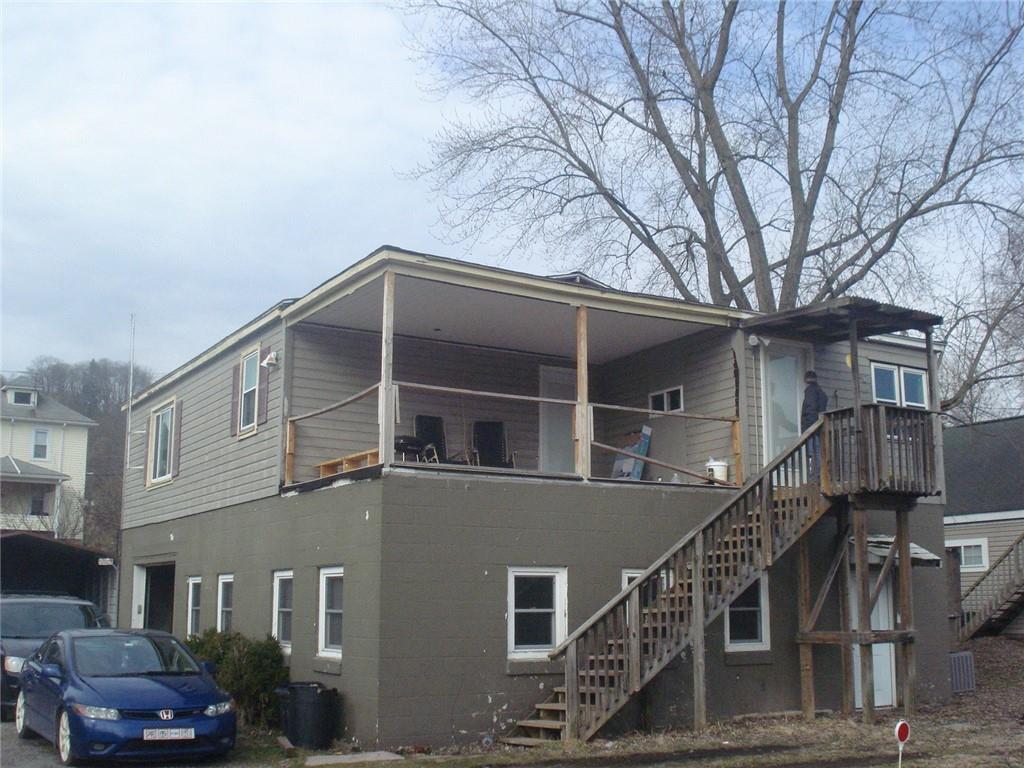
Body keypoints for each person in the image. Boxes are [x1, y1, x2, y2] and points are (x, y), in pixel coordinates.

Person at [801, 370, 828, 482]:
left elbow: (810, 409)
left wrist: (807, 428)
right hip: (818, 427)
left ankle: (813, 478)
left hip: (812, 427)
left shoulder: (810, 391)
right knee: (817, 452)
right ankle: (817, 477)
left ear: (806, 380)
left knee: (813, 453)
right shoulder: (820, 392)